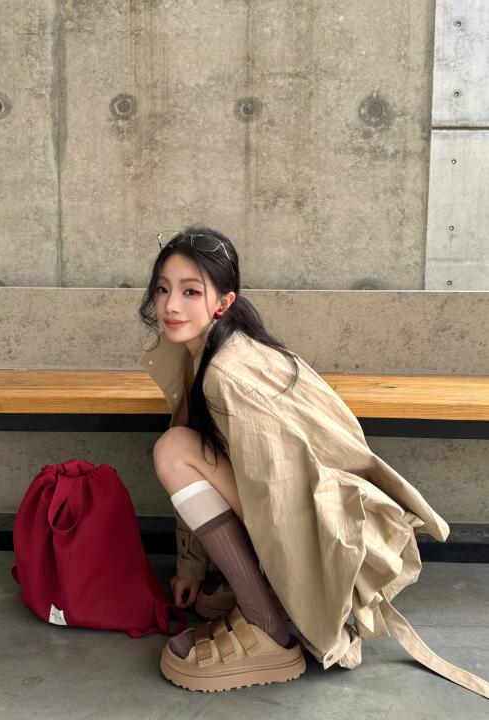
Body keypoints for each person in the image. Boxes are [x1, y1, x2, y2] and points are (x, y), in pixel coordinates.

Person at [139, 226, 489, 698]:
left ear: (223, 302)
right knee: (182, 445)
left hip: (323, 527)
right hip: (308, 508)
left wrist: (295, 609)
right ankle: (262, 591)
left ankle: (267, 627)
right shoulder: (210, 351)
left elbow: (284, 497)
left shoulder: (227, 372)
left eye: (190, 292)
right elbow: (227, 461)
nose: (171, 305)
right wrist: (191, 566)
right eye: (163, 289)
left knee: (173, 450)